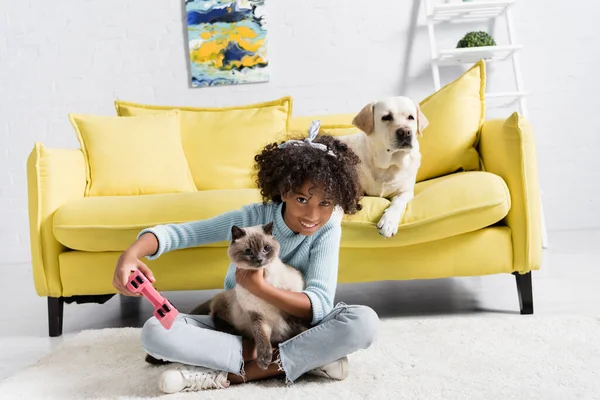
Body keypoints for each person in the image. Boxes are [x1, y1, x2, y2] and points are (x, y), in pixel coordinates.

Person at [112, 121, 380, 393]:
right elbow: (183, 233)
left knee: (364, 322)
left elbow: (319, 305)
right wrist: (130, 254)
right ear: (285, 191)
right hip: (244, 325)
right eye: (302, 200)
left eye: (325, 204)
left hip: (296, 325)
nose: (313, 215)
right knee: (155, 332)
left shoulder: (329, 226)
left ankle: (233, 374)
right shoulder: (253, 219)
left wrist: (260, 288)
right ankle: (307, 358)